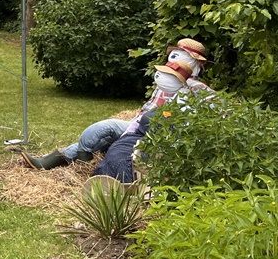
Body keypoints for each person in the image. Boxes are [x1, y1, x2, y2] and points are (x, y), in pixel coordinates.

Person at [22, 38, 210, 170]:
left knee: (108, 138)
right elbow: (148, 108)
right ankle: (60, 159)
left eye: (181, 55)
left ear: (194, 63)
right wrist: (134, 124)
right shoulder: (166, 78)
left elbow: (216, 110)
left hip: (157, 135)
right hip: (138, 125)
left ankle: (65, 160)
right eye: (175, 54)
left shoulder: (197, 89)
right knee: (103, 130)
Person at [93, 57, 214, 183]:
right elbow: (139, 121)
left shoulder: (187, 103)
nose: (159, 76)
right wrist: (127, 133)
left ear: (179, 81)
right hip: (136, 136)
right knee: (114, 152)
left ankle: (125, 186)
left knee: (124, 162)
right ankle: (104, 181)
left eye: (167, 75)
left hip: (154, 144)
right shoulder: (165, 96)